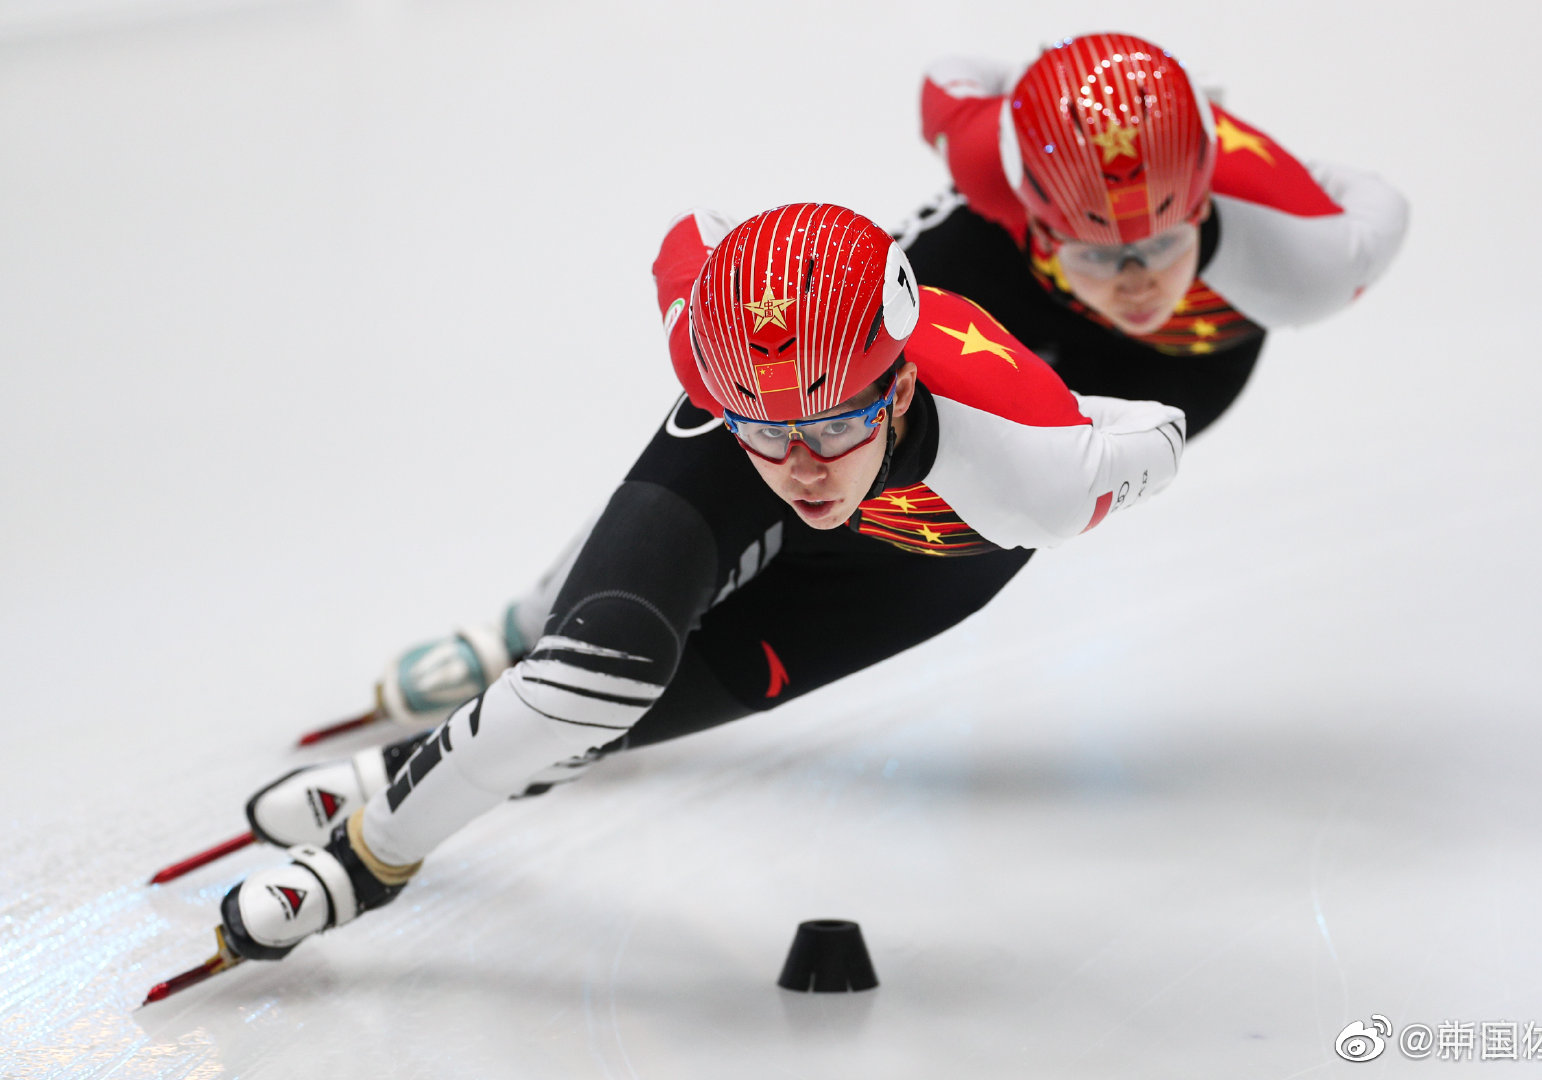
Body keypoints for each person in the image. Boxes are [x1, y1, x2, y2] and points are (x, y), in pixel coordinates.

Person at [215, 203, 1187, 962]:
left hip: (922, 555)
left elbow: (1163, 431)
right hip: (753, 437)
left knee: (624, 718)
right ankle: (382, 831)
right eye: (769, 431)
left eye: (830, 427)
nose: (801, 468)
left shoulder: (1037, 478)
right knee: (594, 677)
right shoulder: (718, 352)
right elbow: (694, 237)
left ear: (897, 389)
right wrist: (362, 861)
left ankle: (403, 769)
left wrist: (1068, 417)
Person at [899, 31, 1409, 437]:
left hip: (1182, 357)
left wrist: (1294, 180)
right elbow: (948, 73)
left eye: (1162, 244)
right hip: (1014, 273)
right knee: (874, 327)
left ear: (1201, 210)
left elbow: (1386, 202)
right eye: (1097, 255)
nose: (1136, 285)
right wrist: (1040, 90)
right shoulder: (987, 164)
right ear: (1040, 224)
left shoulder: (1306, 261)